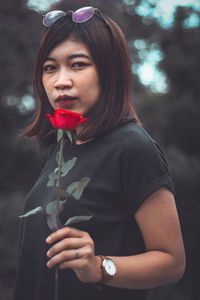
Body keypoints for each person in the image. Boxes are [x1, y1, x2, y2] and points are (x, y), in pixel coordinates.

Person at [13, 6, 185, 300]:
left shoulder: (132, 147)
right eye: (50, 68)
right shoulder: (64, 146)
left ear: (110, 71)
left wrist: (99, 267)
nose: (60, 81)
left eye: (78, 65)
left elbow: (171, 262)